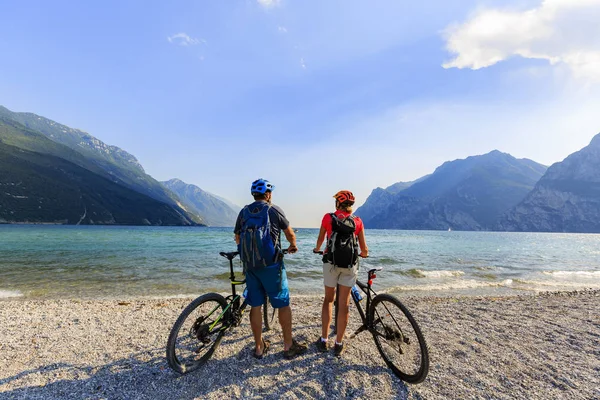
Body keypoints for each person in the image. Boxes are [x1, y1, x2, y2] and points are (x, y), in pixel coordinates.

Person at [234, 178, 308, 360]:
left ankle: (259, 348)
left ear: (254, 194)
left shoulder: (244, 212)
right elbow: (289, 233)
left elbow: (237, 237)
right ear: (268, 194)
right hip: (271, 266)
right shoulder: (273, 209)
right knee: (283, 304)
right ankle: (288, 345)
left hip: (250, 266)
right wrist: (293, 245)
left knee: (255, 305)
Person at [313, 190, 368, 356]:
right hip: (349, 265)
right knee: (344, 304)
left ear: (337, 203)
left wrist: (317, 249)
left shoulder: (328, 218)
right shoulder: (357, 221)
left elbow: (321, 239)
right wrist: (364, 253)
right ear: (351, 205)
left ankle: (323, 341)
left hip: (331, 263)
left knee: (329, 300)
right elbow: (364, 249)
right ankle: (338, 343)